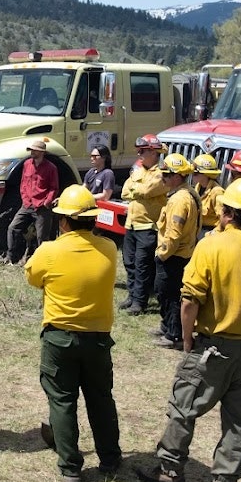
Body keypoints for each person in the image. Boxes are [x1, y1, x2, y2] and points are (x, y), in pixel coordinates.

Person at [136, 178, 241, 482]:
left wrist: (187, 339)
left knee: (183, 407)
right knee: (239, 420)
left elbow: (189, 300)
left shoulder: (212, 245)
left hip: (213, 347)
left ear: (227, 212)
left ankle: (170, 471)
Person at [25, 185, 122, 482]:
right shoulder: (108, 249)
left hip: (59, 338)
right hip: (98, 339)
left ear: (64, 221)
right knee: (101, 399)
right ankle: (110, 458)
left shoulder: (50, 251)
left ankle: (71, 466)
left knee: (62, 400)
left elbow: (32, 276)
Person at [153, 153, 200, 349]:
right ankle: (167, 327)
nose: (162, 178)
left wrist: (162, 254)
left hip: (173, 256)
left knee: (168, 294)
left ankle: (174, 335)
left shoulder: (179, 200)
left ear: (177, 176)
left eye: (166, 174)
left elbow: (174, 233)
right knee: (166, 293)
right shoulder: (186, 194)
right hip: (181, 254)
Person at [118, 135, 167, 314]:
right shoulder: (138, 170)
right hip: (131, 225)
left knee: (142, 265)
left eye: (143, 151)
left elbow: (147, 190)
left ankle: (140, 301)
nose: (139, 153)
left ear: (154, 152)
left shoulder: (162, 172)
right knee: (129, 262)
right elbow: (124, 191)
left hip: (148, 227)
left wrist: (137, 190)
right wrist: (138, 191)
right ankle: (132, 295)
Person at [6, 138, 59, 265]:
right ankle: (10, 257)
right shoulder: (27, 164)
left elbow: (54, 187)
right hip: (27, 204)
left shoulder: (51, 168)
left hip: (42, 207)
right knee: (12, 228)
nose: (32, 152)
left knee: (42, 237)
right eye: (31, 150)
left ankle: (43, 262)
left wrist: (47, 201)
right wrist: (24, 198)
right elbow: (23, 183)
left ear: (42, 152)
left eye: (35, 150)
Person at [84, 145, 122, 245]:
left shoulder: (108, 173)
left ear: (104, 157)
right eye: (91, 156)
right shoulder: (90, 172)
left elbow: (106, 195)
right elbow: (83, 189)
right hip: (89, 208)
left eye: (95, 156)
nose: (92, 158)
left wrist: (88, 197)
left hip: (100, 211)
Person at [192, 154, 224, 236]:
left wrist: (213, 234)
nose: (192, 175)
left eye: (195, 173)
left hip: (209, 231)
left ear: (205, 174)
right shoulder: (198, 188)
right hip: (197, 229)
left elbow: (223, 218)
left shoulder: (217, 192)